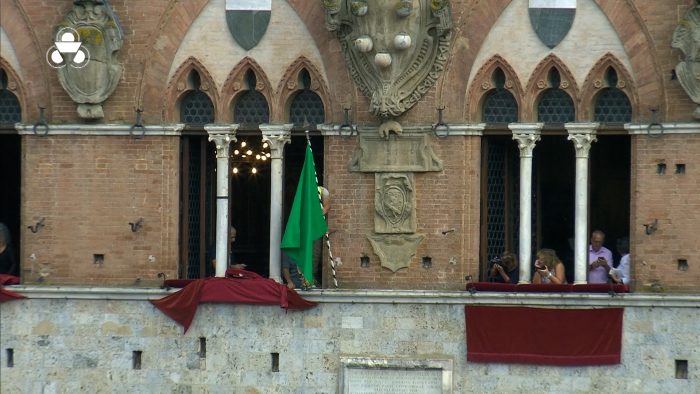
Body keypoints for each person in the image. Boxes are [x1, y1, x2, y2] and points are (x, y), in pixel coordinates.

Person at [312, 185, 331, 285]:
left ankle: (312, 278)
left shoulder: (322, 191)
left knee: (316, 253)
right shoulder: (304, 190)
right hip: (305, 227)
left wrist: (319, 214)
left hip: (316, 228)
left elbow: (327, 206)